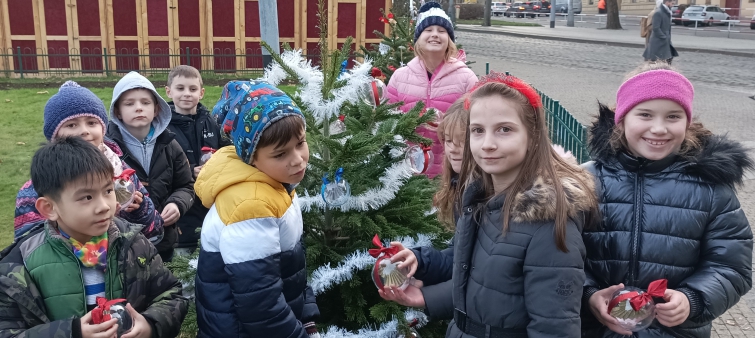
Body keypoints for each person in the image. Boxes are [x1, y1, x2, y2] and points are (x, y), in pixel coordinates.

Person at [379, 73, 599, 336]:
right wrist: (423, 282)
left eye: (504, 129)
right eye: (478, 131)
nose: (488, 144)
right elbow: (478, 277)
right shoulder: (480, 201)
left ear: (534, 136)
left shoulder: (547, 226)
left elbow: (555, 327)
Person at [581, 62, 753, 337]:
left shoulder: (711, 190)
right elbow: (560, 254)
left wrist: (693, 299)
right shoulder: (585, 180)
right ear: (622, 119)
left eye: (673, 116)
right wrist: (588, 294)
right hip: (595, 330)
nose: (659, 128)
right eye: (645, 115)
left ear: (687, 121)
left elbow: (731, 266)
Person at [0, 137, 188, 338]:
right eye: (87, 197)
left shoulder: (134, 243)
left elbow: (171, 295)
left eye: (108, 191)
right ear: (50, 208)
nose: (104, 206)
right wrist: (71, 333)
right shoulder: (20, 265)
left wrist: (150, 324)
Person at [194, 81, 320, 338]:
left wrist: (306, 316)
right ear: (252, 157)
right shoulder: (251, 205)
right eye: (280, 154)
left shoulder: (275, 183)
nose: (297, 159)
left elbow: (288, 265)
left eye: (300, 143)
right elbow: (261, 306)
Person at [14, 81, 163, 243]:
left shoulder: (122, 173)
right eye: (71, 125)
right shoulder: (39, 186)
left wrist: (140, 211)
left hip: (122, 262)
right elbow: (28, 244)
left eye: (91, 123)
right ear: (54, 136)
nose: (84, 131)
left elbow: (154, 230)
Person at [379, 98, 467, 320]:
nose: (453, 149)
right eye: (447, 140)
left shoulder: (492, 200)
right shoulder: (464, 191)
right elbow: (460, 258)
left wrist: (428, 296)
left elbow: (488, 282)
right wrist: (419, 260)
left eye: (462, 141)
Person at [107, 71, 195, 262]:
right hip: (121, 241)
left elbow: (186, 186)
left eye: (145, 103)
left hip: (163, 240)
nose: (138, 108)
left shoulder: (170, 144)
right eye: (129, 103)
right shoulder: (107, 150)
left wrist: (177, 204)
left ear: (156, 109)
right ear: (117, 111)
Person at [387, 1, 477, 178]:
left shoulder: (466, 78)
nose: (435, 35)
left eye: (441, 31)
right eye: (428, 30)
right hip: (408, 172)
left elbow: (477, 124)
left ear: (449, 40)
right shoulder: (399, 77)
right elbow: (388, 121)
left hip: (451, 172)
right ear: (418, 39)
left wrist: (451, 126)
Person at [164, 65, 231, 255]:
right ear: (168, 91)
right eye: (180, 88)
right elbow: (162, 163)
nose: (187, 94)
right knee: (184, 255)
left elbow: (226, 150)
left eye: (192, 89)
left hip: (212, 199)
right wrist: (191, 169)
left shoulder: (210, 121)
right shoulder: (163, 127)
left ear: (201, 93)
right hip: (182, 203)